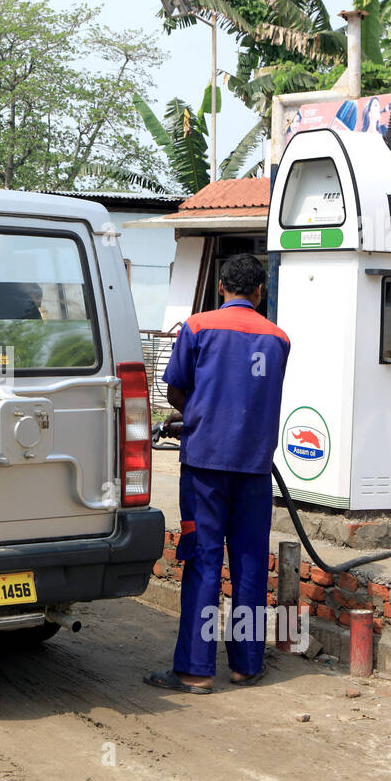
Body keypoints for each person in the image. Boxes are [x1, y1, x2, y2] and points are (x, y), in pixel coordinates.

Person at [145, 254, 289, 693]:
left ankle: (195, 670)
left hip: (205, 466)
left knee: (203, 561)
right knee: (248, 564)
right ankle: (246, 665)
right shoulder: (278, 338)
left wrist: (195, 414)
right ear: (260, 292)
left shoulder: (198, 326)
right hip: (255, 469)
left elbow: (174, 387)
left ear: (222, 286)